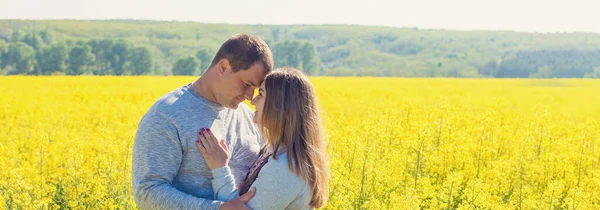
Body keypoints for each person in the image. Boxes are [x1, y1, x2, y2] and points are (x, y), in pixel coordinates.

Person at [132, 34, 274, 210]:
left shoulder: (249, 117)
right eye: (246, 84)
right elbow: (147, 192)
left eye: (255, 90)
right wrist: (217, 209)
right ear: (223, 67)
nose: (249, 96)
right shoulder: (167, 114)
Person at [196, 68, 329, 210]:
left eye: (261, 94)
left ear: (279, 105)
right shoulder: (276, 151)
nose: (253, 100)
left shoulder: (284, 169)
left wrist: (220, 168)